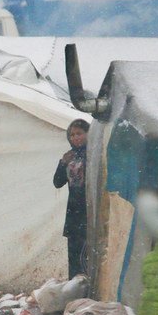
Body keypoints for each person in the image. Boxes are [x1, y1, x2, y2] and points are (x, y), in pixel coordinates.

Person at [53, 118, 90, 278]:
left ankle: (89, 291)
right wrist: (63, 163)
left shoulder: (95, 154)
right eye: (72, 135)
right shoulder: (70, 157)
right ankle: (75, 289)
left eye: (79, 133)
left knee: (89, 255)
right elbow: (57, 182)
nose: (75, 138)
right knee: (75, 256)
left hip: (90, 212)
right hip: (74, 213)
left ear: (89, 134)